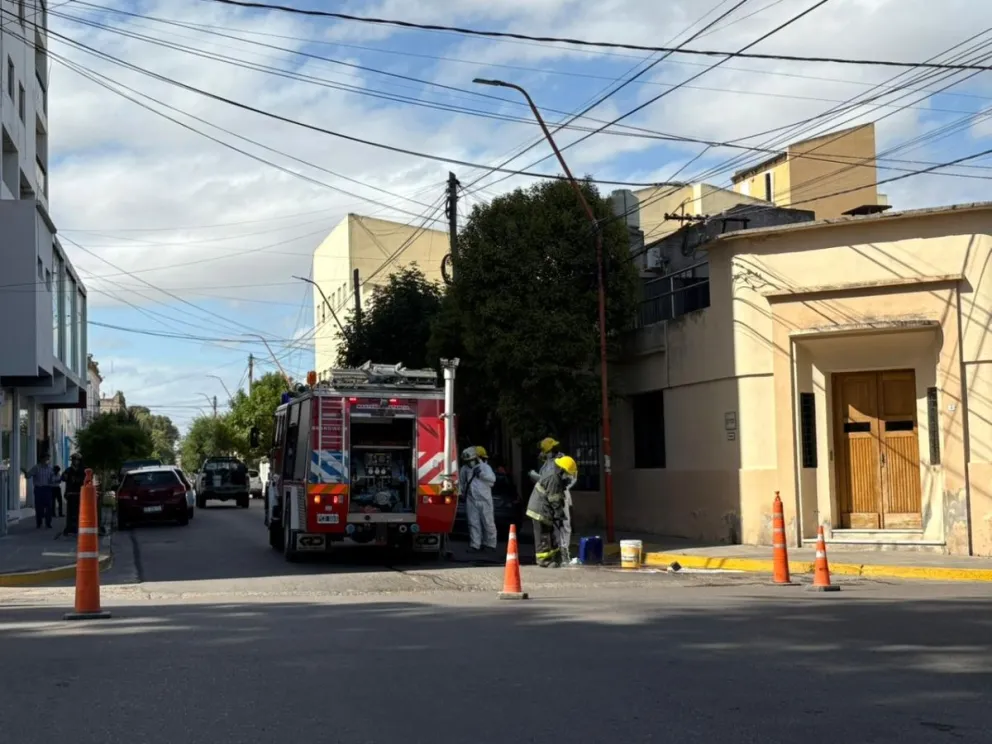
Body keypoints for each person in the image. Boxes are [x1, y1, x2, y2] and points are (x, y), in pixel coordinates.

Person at [525, 455, 578, 567]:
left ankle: (555, 557)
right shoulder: (554, 479)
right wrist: (559, 514)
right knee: (543, 536)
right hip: (540, 510)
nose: (569, 477)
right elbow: (554, 499)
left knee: (550, 534)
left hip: (544, 509)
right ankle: (544, 560)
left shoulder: (556, 477)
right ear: (563, 470)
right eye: (568, 474)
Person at [459, 446, 498, 552]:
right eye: (467, 461)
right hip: (471, 499)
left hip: (485, 499)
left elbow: (492, 480)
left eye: (471, 460)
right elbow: (461, 482)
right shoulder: (464, 469)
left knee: (488, 523)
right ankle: (475, 545)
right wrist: (460, 493)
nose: (469, 462)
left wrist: (481, 474)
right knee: (473, 523)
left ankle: (490, 544)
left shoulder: (485, 467)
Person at [25, 454, 56, 529]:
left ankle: (48, 523)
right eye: (46, 459)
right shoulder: (36, 468)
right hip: (39, 489)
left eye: (48, 459)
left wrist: (53, 480)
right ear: (42, 459)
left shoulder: (50, 468)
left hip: (47, 489)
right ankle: (39, 522)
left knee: (49, 506)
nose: (48, 460)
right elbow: (28, 476)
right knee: (39, 506)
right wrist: (25, 472)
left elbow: (52, 478)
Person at [62, 453, 86, 536]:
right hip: (71, 494)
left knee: (80, 511)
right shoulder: (69, 470)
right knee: (70, 512)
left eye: (76, 460)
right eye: (73, 459)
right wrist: (65, 476)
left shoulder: (83, 470)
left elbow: (86, 480)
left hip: (81, 494)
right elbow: (63, 478)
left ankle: (79, 527)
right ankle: (70, 527)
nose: (75, 461)